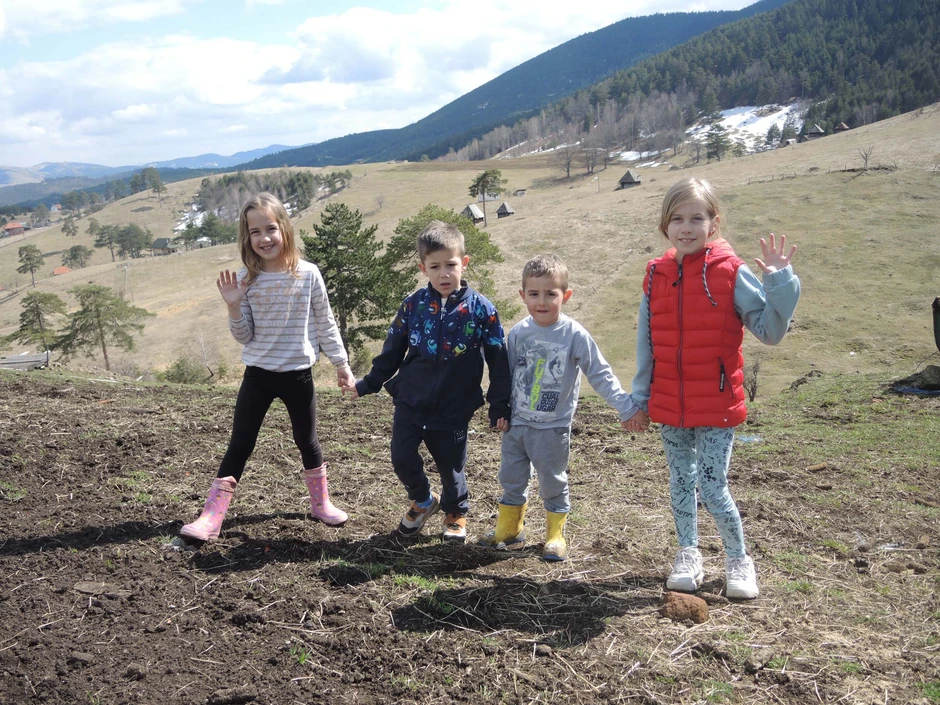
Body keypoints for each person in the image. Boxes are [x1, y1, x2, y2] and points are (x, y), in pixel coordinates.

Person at [627, 176, 800, 599]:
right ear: (665, 225)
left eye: (697, 218)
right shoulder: (655, 274)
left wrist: (780, 282)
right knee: (679, 483)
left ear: (714, 223)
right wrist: (640, 397)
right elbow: (646, 343)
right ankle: (688, 553)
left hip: (718, 405)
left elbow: (770, 331)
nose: (686, 227)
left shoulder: (730, 272)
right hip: (670, 404)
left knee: (712, 486)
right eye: (677, 219)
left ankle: (739, 560)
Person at [180, 192, 356, 544]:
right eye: (255, 232)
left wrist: (342, 363)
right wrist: (233, 306)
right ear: (246, 237)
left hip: (298, 375)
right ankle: (211, 517)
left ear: (284, 228)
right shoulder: (246, 280)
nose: (264, 238)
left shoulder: (308, 274)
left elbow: (325, 322)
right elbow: (244, 336)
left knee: (307, 440)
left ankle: (321, 504)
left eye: (270, 228)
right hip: (258, 375)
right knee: (240, 443)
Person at [344, 220, 510, 543]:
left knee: (451, 466)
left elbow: (498, 360)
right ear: (423, 268)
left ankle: (455, 512)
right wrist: (368, 383)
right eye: (435, 267)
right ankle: (422, 500)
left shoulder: (482, 310)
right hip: (411, 400)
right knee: (401, 457)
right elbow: (392, 351)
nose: (444, 274)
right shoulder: (413, 305)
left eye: (451, 265)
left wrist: (499, 404)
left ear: (464, 263)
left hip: (453, 407)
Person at [483, 254, 645, 561]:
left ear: (565, 296)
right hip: (517, 424)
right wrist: (500, 409)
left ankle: (555, 535)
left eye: (550, 294)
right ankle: (510, 529)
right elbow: (505, 375)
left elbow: (600, 373)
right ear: (522, 295)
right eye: (534, 294)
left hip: (552, 427)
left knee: (552, 480)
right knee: (511, 477)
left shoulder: (574, 335)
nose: (541, 302)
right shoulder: (518, 332)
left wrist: (626, 407)